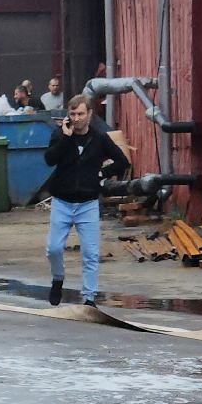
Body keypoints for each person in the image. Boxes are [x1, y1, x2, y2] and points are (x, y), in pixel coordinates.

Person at [42, 94, 131, 308]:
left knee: (90, 253)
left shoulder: (100, 139)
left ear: (90, 114)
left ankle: (89, 298)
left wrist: (101, 174)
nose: (76, 118)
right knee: (53, 249)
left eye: (80, 113)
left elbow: (122, 161)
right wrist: (65, 137)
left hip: (88, 204)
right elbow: (49, 160)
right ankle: (58, 279)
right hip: (62, 202)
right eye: (72, 114)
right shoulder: (60, 135)